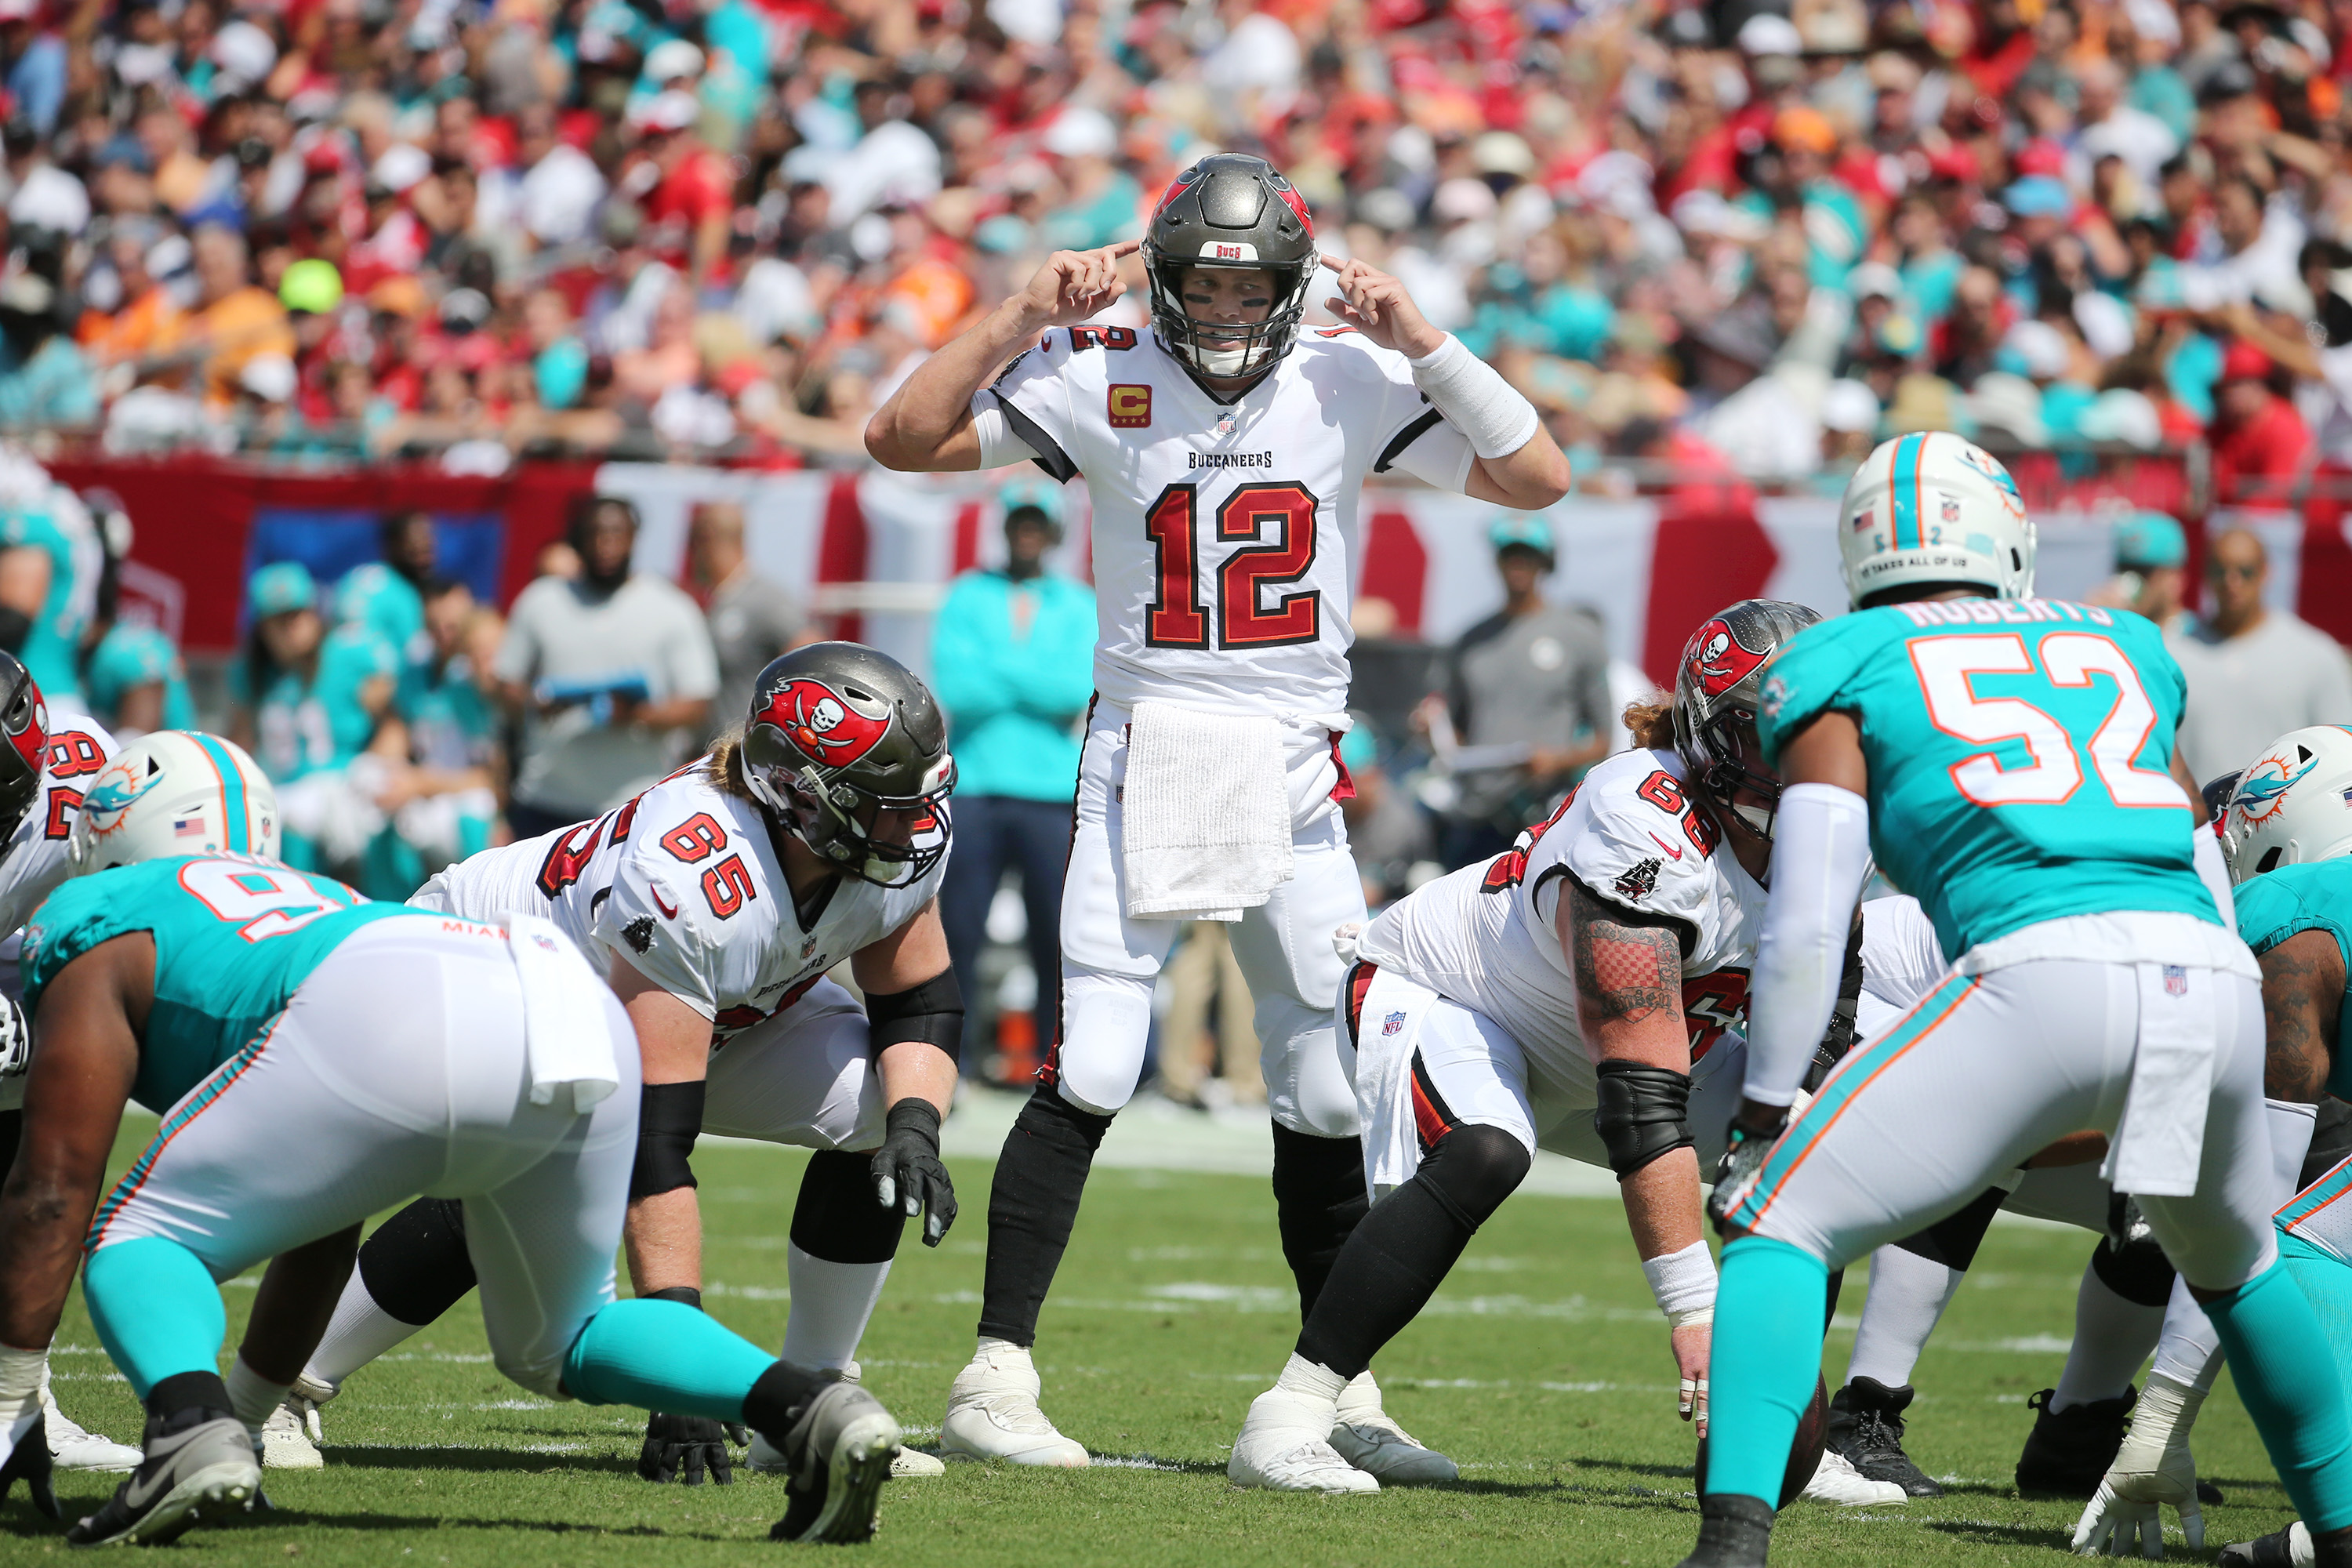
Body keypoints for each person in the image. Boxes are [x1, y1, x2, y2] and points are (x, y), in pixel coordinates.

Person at [865, 151, 1571, 1468]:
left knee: (1322, 1087)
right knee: (1095, 1063)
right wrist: (1023, 312)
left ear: (1296, 291)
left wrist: (1424, 333)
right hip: (1152, 744)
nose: (1231, 315)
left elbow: (1540, 479)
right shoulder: (1101, 365)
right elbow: (900, 438)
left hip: (1297, 761)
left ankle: (1333, 1392)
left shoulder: (1350, 376)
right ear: (1165, 279)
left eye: (1255, 292)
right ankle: (994, 1380)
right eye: (1203, 285)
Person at [1682, 432, 2352, 1568]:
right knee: (2238, 1261)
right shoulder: (2126, 643)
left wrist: (1767, 1098)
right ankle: (2342, 1536)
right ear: (2007, 535)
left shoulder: (1839, 658)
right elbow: (2197, 851)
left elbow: (1810, 908)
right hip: (2209, 977)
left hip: (2040, 966)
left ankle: (1731, 1547)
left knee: (1772, 1215)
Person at [0, 731, 905, 1546]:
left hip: (392, 990)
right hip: (558, 991)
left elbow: (52, 1189)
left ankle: (183, 1427)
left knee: (134, 1232)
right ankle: (813, 1405)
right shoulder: (312, 891)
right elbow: (327, 1211)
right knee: (562, 1340)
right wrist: (242, 1418)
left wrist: (10, 1399)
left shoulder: (101, 914)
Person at [268, 645, 960, 1489]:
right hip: (482, 971)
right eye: (885, 805)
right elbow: (651, 1149)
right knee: (523, 1165)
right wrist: (682, 1377)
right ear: (804, 798)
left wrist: (915, 1126)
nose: (913, 823)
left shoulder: (879, 843)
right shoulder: (693, 874)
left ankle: (808, 1401)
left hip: (688, 1002)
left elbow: (918, 998)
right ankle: (280, 1387)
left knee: (874, 1107)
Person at [2045, 728, 2352, 1559]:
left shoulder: (2293, 915)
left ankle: (2343, 1524)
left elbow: (2254, 1198)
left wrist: (2161, 1419)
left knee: (2297, 1237)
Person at [929, 477, 1094, 1070]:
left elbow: (1075, 689)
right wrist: (1033, 679)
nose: (1028, 532)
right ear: (1004, 527)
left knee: (1054, 936)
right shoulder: (967, 595)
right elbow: (956, 687)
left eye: (1037, 522)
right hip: (974, 786)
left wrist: (1000, 669)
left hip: (1049, 792)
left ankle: (1057, 1062)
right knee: (959, 933)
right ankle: (954, 1060)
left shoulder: (1078, 602)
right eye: (1019, 520)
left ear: (1052, 531)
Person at [494, 496, 719, 840]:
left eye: (616, 533)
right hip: (545, 798)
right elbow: (505, 682)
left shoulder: (672, 608)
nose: (605, 544)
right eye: (594, 533)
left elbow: (697, 702)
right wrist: (535, 701)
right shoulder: (541, 600)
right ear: (577, 540)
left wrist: (635, 715)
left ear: (634, 537)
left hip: (633, 806)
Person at [1429, 514, 1613, 869]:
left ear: (1546, 563)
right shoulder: (1469, 642)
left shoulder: (1579, 636)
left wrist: (1556, 760)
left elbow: (1603, 740)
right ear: (1496, 561)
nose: (1518, 565)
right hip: (1477, 811)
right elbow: (1452, 731)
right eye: (1510, 555)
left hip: (1545, 813)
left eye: (1528, 556)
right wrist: (1430, 729)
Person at [226, 561, 400, 876]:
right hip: (282, 790)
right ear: (262, 628)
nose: (292, 628)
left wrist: (371, 771)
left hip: (345, 780)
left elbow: (394, 726)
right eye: (279, 620)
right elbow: (240, 744)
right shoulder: (252, 674)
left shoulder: (348, 653)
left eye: (297, 615)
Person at [2169, 527, 2352, 784]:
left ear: (2266, 572)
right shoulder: (2173, 657)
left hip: (2282, 822)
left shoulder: (2315, 655)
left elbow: (2341, 756)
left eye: (2245, 571)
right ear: (2206, 575)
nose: (2232, 583)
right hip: (2197, 822)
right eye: (2221, 571)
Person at [686, 500, 803, 742]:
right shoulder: (717, 600)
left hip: (748, 758)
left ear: (707, 537)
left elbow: (811, 660)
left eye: (692, 540)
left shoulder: (764, 599)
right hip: (713, 755)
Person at [333, 510, 439, 664]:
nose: (425, 560)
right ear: (393, 545)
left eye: (428, 549)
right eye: (415, 549)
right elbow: (417, 656)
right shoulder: (403, 593)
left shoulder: (355, 578)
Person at [2085, 512, 2193, 634]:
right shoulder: (2116, 630)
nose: (2131, 580)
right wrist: (2092, 625)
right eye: (2124, 569)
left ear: (2176, 579)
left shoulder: (2199, 640)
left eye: (2143, 571)